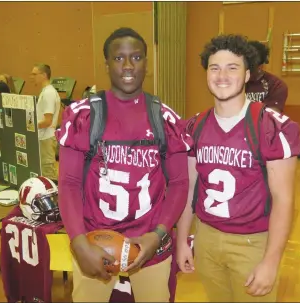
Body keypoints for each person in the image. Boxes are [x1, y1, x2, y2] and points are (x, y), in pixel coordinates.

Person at [56, 27, 192, 302]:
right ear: (106, 63)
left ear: (146, 63)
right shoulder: (84, 115)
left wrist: (159, 234)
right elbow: (69, 183)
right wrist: (78, 242)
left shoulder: (165, 119)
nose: (128, 65)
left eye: (137, 57)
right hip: (96, 242)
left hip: (149, 245)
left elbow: (179, 183)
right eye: (119, 58)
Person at [176, 34, 300, 302]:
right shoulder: (194, 127)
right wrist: (182, 240)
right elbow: (189, 190)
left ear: (247, 75)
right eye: (214, 68)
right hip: (207, 238)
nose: (222, 75)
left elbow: (284, 200)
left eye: (232, 67)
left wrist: (270, 261)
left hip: (252, 243)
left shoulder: (271, 127)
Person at [30, 63, 60, 182]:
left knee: (49, 175)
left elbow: (47, 121)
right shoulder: (45, 92)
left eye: (34, 74)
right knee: (44, 172)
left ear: (43, 75)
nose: (31, 77)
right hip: (43, 137)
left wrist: (29, 127)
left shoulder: (48, 93)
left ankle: (55, 199)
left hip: (46, 137)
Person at [245, 40, 288, 112]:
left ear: (261, 66)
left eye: (251, 68)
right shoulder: (235, 82)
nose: (247, 71)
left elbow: (271, 116)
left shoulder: (276, 85)